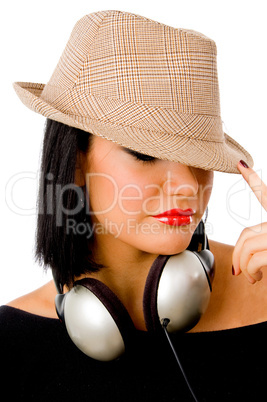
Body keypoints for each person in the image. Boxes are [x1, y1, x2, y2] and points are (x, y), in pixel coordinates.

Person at [1, 10, 267, 401]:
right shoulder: (11, 349)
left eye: (199, 156)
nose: (188, 186)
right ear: (75, 163)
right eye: (145, 153)